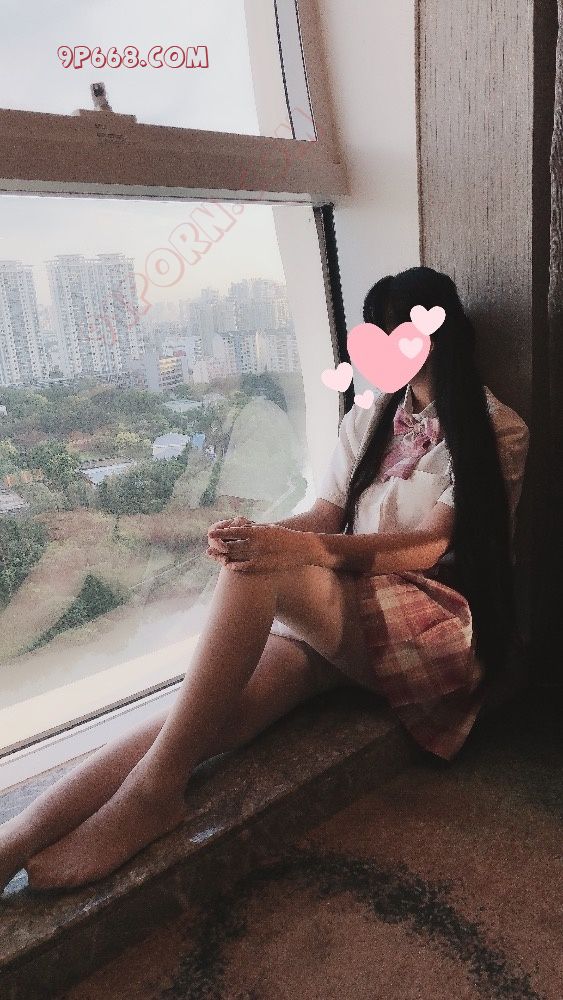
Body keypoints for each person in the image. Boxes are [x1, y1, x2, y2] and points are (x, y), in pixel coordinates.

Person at [0, 266, 529, 893]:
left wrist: (285, 549)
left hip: (431, 623)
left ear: (437, 336)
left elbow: (429, 545)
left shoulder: (496, 429)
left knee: (259, 574)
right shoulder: (369, 422)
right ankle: (18, 837)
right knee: (200, 719)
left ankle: (154, 795)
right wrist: (257, 532)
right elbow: (324, 516)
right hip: (350, 621)